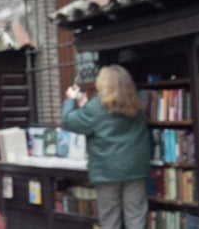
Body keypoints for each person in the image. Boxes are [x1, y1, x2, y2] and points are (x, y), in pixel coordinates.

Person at [62, 64, 151, 229]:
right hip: (135, 168)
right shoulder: (136, 102)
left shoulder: (97, 107)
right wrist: (86, 106)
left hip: (108, 171)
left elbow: (69, 122)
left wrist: (70, 99)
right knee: (136, 216)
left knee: (110, 218)